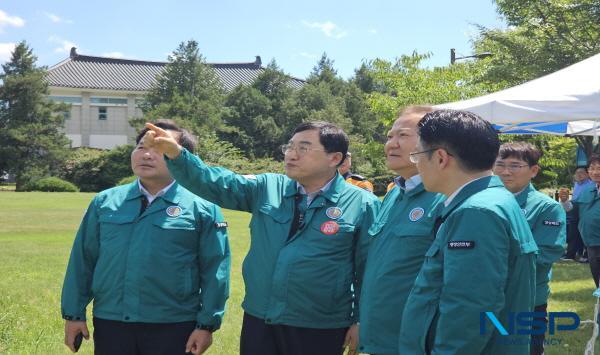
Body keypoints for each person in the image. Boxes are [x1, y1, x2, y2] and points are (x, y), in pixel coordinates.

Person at [144, 121, 380, 355]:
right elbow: (215, 182)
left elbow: (369, 270)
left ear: (334, 158)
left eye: (303, 148)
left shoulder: (361, 204)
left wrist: (361, 321)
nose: (291, 154)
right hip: (261, 318)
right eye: (289, 146)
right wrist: (176, 154)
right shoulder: (267, 187)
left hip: (321, 325)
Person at [61, 120, 231, 355]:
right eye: (142, 147)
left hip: (173, 324)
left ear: (182, 158)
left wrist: (206, 325)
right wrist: (73, 314)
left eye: (160, 149)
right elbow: (83, 260)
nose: (147, 155)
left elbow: (215, 271)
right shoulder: (105, 202)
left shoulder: (203, 208)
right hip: (112, 320)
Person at [399, 109, 537, 355]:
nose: (416, 163)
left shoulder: (476, 212)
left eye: (417, 154)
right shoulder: (493, 201)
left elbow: (469, 307)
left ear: (440, 158)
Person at [358, 106, 446, 355]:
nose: (391, 144)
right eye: (389, 136)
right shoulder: (395, 193)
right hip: (380, 336)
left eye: (403, 136)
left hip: (418, 341)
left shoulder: (444, 196)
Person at [493, 142, 566, 355]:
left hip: (527, 299)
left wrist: (491, 258)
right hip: (487, 295)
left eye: (515, 166)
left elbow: (547, 252)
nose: (506, 171)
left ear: (533, 171)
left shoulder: (546, 207)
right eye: (500, 164)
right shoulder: (485, 201)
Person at [570, 155, 600, 287]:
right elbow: (573, 209)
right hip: (591, 243)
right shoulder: (588, 189)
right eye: (592, 168)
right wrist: (565, 202)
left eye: (599, 168)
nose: (595, 172)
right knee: (598, 283)